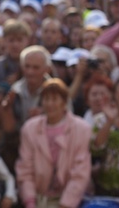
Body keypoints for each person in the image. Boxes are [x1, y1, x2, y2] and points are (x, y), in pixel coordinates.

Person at [15, 78, 92, 208]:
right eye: (46, 99)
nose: (50, 104)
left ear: (64, 102)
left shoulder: (81, 128)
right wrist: (30, 201)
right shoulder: (30, 128)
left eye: (55, 99)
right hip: (38, 198)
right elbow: (25, 169)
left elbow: (81, 172)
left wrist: (66, 204)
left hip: (70, 199)